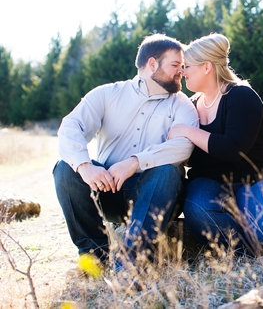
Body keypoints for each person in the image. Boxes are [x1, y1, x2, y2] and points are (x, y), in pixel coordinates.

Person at [53, 34, 198, 282]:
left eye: (182, 66)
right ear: (152, 64)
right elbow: (70, 128)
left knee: (167, 171)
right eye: (175, 65)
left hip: (158, 195)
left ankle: (131, 264)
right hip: (108, 190)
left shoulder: (182, 105)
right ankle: (94, 258)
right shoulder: (107, 94)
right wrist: (85, 167)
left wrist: (135, 162)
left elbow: (184, 146)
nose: (181, 72)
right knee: (64, 169)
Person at [167, 33, 263, 254]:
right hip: (209, 183)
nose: (182, 72)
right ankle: (248, 251)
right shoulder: (190, 106)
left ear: (207, 67)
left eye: (187, 66)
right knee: (198, 211)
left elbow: (233, 149)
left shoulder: (241, 96)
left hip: (254, 180)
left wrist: (187, 131)